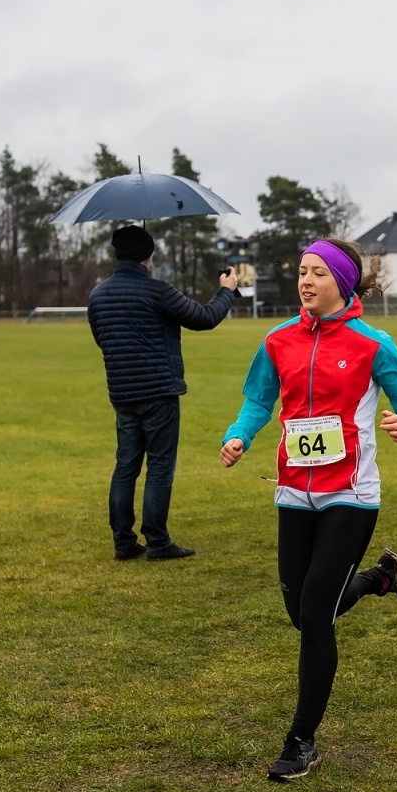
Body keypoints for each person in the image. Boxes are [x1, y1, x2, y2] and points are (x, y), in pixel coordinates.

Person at [220, 238, 397, 781]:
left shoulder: (372, 344)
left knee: (315, 612)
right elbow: (258, 399)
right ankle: (382, 579)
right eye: (301, 271)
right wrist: (239, 434)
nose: (305, 280)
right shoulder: (278, 340)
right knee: (303, 612)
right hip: (293, 490)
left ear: (342, 281)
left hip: (351, 494)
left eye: (317, 272)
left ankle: (301, 740)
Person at [88, 224, 238, 560]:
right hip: (158, 389)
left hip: (122, 391)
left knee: (125, 464)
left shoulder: (97, 295)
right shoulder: (157, 290)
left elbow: (103, 340)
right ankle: (157, 540)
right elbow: (204, 318)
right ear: (148, 255)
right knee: (159, 466)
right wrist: (226, 290)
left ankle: (123, 542)